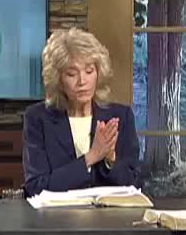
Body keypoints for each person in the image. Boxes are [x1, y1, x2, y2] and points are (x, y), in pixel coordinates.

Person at [22, 27, 141, 197]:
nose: (82, 81)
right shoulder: (38, 119)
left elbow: (135, 184)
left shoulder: (121, 116)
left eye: (89, 71)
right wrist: (91, 157)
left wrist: (110, 159)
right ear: (58, 79)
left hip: (109, 221)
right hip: (56, 221)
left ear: (98, 73)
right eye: (71, 74)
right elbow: (36, 187)